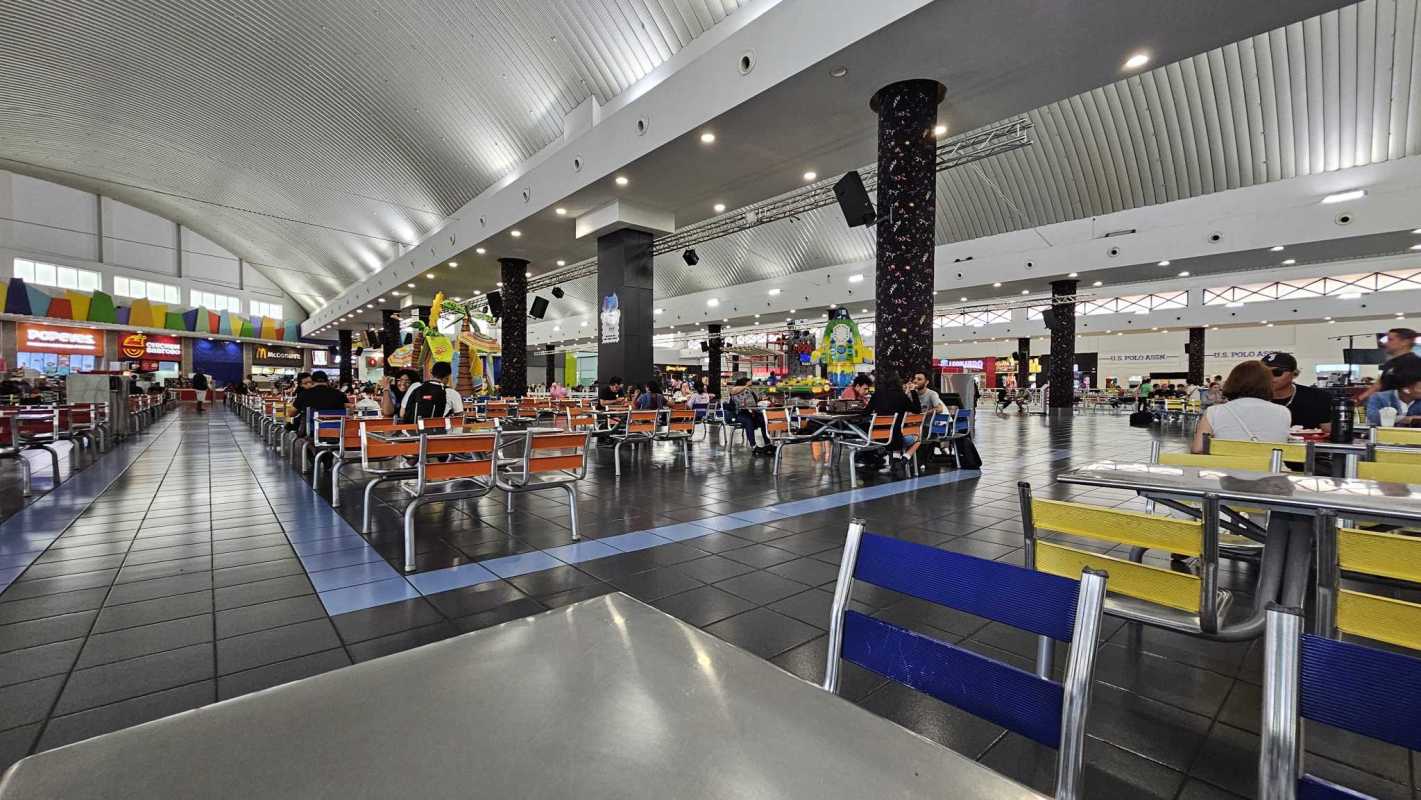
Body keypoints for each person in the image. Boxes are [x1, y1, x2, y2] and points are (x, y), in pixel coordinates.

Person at [1192, 361, 1292, 453]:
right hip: (1271, 471)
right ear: (1268, 384)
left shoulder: (1214, 411)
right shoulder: (1283, 412)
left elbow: (1198, 448)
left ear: (1233, 382)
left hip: (1227, 470)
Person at [1260, 352, 1332, 433]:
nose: (1269, 377)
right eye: (1264, 373)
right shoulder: (1253, 398)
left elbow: (1329, 433)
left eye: (1277, 372)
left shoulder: (1317, 398)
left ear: (1294, 374)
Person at [1359, 327, 1419, 402]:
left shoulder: (1415, 362)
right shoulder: (1390, 363)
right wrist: (1359, 399)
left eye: (1390, 340)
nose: (1386, 343)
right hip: (1387, 409)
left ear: (1405, 342)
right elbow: (1379, 384)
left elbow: (1415, 391)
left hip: (1407, 410)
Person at [1364, 354, 1421, 426]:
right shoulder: (1379, 398)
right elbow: (1374, 419)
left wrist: (1396, 419)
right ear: (1406, 390)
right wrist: (1409, 419)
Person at [399, 361, 464, 421]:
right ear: (447, 376)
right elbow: (459, 418)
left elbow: (402, 414)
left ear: (431, 373)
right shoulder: (452, 393)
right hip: (438, 431)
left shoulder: (415, 387)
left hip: (413, 431)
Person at [291, 370, 349, 435]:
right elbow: (350, 411)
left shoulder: (304, 394)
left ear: (312, 381)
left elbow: (291, 413)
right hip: (338, 432)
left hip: (312, 432)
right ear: (327, 381)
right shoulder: (340, 394)